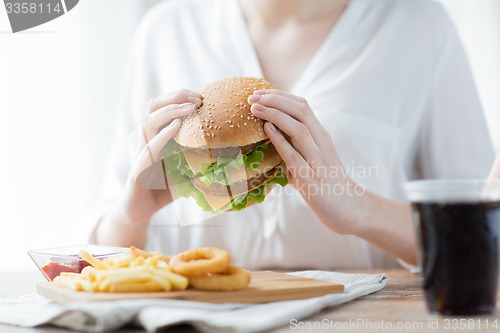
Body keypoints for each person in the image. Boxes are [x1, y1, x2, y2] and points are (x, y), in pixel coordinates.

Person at [91, 0, 494, 269]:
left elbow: (483, 241)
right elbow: (101, 255)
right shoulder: (166, 31)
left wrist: (358, 208)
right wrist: (132, 213)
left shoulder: (418, 25)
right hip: (197, 321)